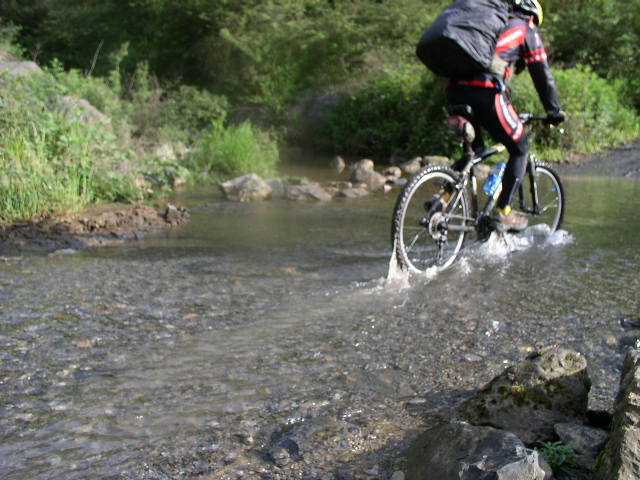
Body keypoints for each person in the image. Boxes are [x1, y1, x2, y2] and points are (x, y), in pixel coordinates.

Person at [446, 0, 566, 231]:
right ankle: (504, 212)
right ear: (532, 15)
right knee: (520, 148)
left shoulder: (487, 25)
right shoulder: (523, 28)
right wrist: (553, 111)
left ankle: (442, 198)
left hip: (454, 90)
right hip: (486, 92)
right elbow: (542, 74)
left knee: (475, 152)